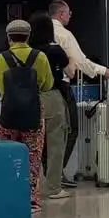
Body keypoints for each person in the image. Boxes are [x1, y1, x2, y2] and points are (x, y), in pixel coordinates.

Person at [50, 0, 109, 186]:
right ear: (62, 14)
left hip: (40, 88)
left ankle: (45, 174)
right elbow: (81, 61)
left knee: (48, 133)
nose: (70, 16)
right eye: (69, 13)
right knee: (71, 129)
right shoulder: (64, 35)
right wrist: (105, 71)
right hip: (61, 88)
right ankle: (56, 174)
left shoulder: (41, 34)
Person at [0, 19, 54, 213]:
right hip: (33, 113)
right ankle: (31, 200)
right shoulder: (40, 57)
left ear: (9, 37)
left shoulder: (0, 59)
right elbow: (47, 84)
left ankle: (9, 196)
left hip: (8, 114)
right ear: (28, 37)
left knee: (7, 154)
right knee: (33, 156)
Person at [28, 12, 72, 201]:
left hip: (28, 98)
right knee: (55, 143)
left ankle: (30, 187)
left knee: (30, 144)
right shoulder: (54, 51)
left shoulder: (27, 51)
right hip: (51, 96)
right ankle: (53, 187)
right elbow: (67, 65)